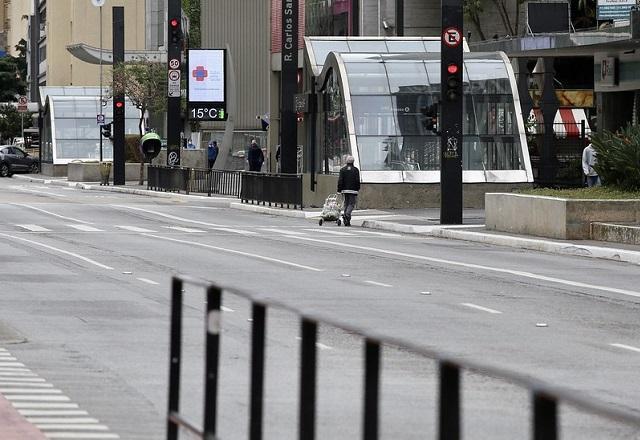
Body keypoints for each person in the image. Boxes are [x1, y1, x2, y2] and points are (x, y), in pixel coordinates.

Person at [337, 156, 360, 226]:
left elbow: (340, 180)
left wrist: (339, 189)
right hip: (353, 190)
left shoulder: (342, 170)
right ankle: (347, 214)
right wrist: (357, 188)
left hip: (345, 190)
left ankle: (347, 219)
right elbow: (357, 180)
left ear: (346, 161)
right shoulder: (356, 170)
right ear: (353, 162)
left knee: (346, 203)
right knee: (351, 204)